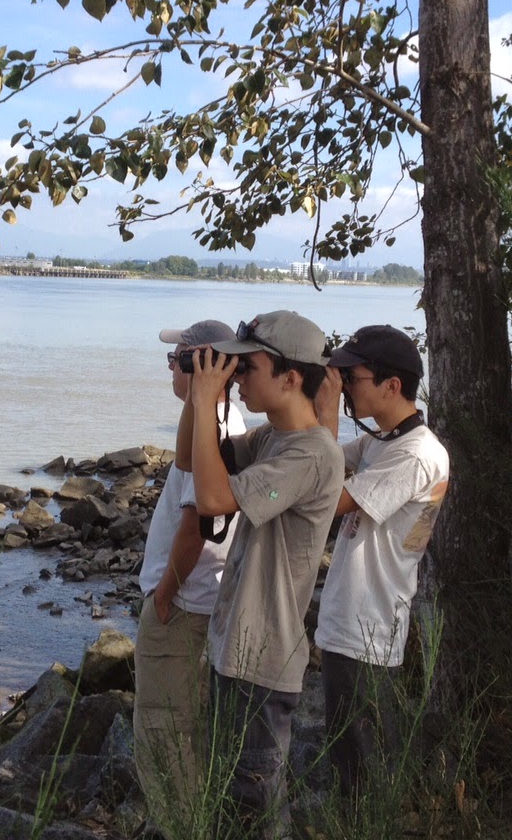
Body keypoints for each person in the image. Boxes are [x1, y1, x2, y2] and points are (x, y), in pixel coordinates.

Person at [181, 310, 344, 840]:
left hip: (262, 663)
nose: (239, 377)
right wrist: (199, 395)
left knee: (253, 808)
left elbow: (212, 498)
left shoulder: (312, 455)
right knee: (230, 803)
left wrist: (208, 397)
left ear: (291, 377)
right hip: (236, 651)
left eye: (247, 367)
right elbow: (191, 461)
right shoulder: (273, 437)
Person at [312, 324, 450, 799]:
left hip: (367, 627)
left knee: (361, 774)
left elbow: (327, 499)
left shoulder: (417, 454)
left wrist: (327, 413)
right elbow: (319, 460)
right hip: (352, 621)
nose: (346, 386)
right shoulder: (384, 440)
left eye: (353, 377)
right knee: (350, 761)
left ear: (392, 386)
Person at [134, 319, 248, 835]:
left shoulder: (215, 427)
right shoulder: (219, 419)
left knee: (163, 733)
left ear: (204, 361)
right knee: (188, 729)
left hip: (182, 607)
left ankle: (181, 827)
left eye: (179, 358)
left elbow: (197, 522)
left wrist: (164, 594)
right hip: (201, 601)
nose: (172, 368)